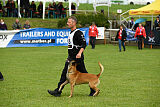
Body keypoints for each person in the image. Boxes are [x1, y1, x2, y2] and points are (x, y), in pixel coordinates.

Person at [48, 16, 96, 97]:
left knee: (85, 74)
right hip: (71, 58)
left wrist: (79, 53)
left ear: (74, 23)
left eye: (69, 22)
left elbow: (84, 44)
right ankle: (58, 91)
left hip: (77, 58)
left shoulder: (78, 33)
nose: (67, 23)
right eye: (68, 22)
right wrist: (69, 56)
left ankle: (93, 90)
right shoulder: (71, 32)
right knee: (64, 74)